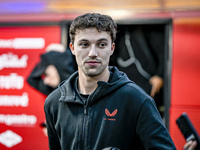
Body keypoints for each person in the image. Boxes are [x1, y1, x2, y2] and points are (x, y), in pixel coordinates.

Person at [44, 13, 176, 149]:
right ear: (72, 48)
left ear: (111, 48)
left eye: (101, 44)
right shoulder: (54, 103)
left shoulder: (137, 100)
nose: (92, 53)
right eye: (84, 44)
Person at [27, 43, 76, 136]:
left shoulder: (79, 90)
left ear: (59, 66)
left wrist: (62, 54)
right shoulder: (54, 90)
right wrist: (47, 56)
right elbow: (32, 79)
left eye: (46, 74)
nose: (45, 81)